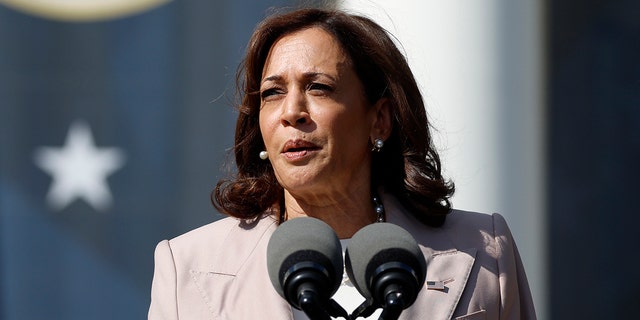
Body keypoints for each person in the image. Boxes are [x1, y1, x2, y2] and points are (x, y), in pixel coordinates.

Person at [148, 7, 536, 320]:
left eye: (318, 87)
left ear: (379, 119)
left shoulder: (484, 249)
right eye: (272, 93)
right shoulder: (186, 267)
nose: (292, 112)